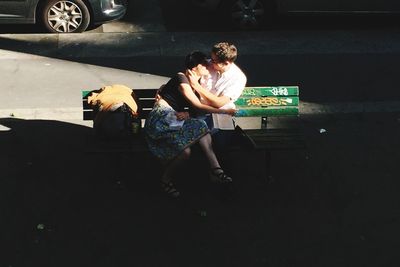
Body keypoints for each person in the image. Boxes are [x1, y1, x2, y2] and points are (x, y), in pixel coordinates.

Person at [144, 51, 236, 198]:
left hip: (174, 120)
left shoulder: (196, 84)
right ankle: (168, 179)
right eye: (204, 65)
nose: (208, 66)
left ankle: (215, 169)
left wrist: (187, 113)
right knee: (192, 139)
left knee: (191, 143)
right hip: (161, 120)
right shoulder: (182, 79)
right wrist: (225, 112)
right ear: (195, 67)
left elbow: (193, 110)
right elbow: (197, 106)